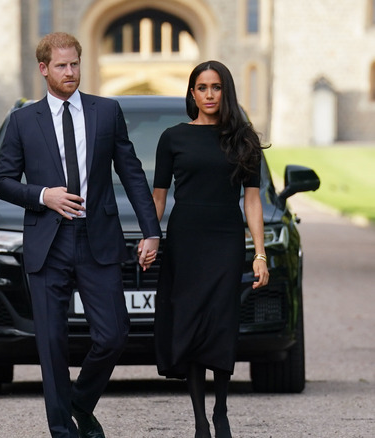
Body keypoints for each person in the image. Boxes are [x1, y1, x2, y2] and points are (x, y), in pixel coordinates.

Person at [0, 32, 161, 438]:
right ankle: (62, 429)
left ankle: (80, 403)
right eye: (62, 66)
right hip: (47, 243)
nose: (70, 73)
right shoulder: (22, 120)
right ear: (44, 69)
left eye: (75, 64)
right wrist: (43, 195)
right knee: (51, 345)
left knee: (114, 334)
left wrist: (151, 231)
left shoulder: (106, 112)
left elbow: (132, 173)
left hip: (96, 238)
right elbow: (2, 181)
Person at [150, 60, 269, 438]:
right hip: (186, 240)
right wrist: (151, 236)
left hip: (225, 239)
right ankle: (201, 420)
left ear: (226, 91)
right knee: (191, 322)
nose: (209, 94)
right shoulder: (173, 138)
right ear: (192, 93)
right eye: (202, 88)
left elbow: (252, 201)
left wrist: (260, 253)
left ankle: (221, 411)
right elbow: (158, 196)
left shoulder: (244, 138)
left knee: (220, 322)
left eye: (216, 87)